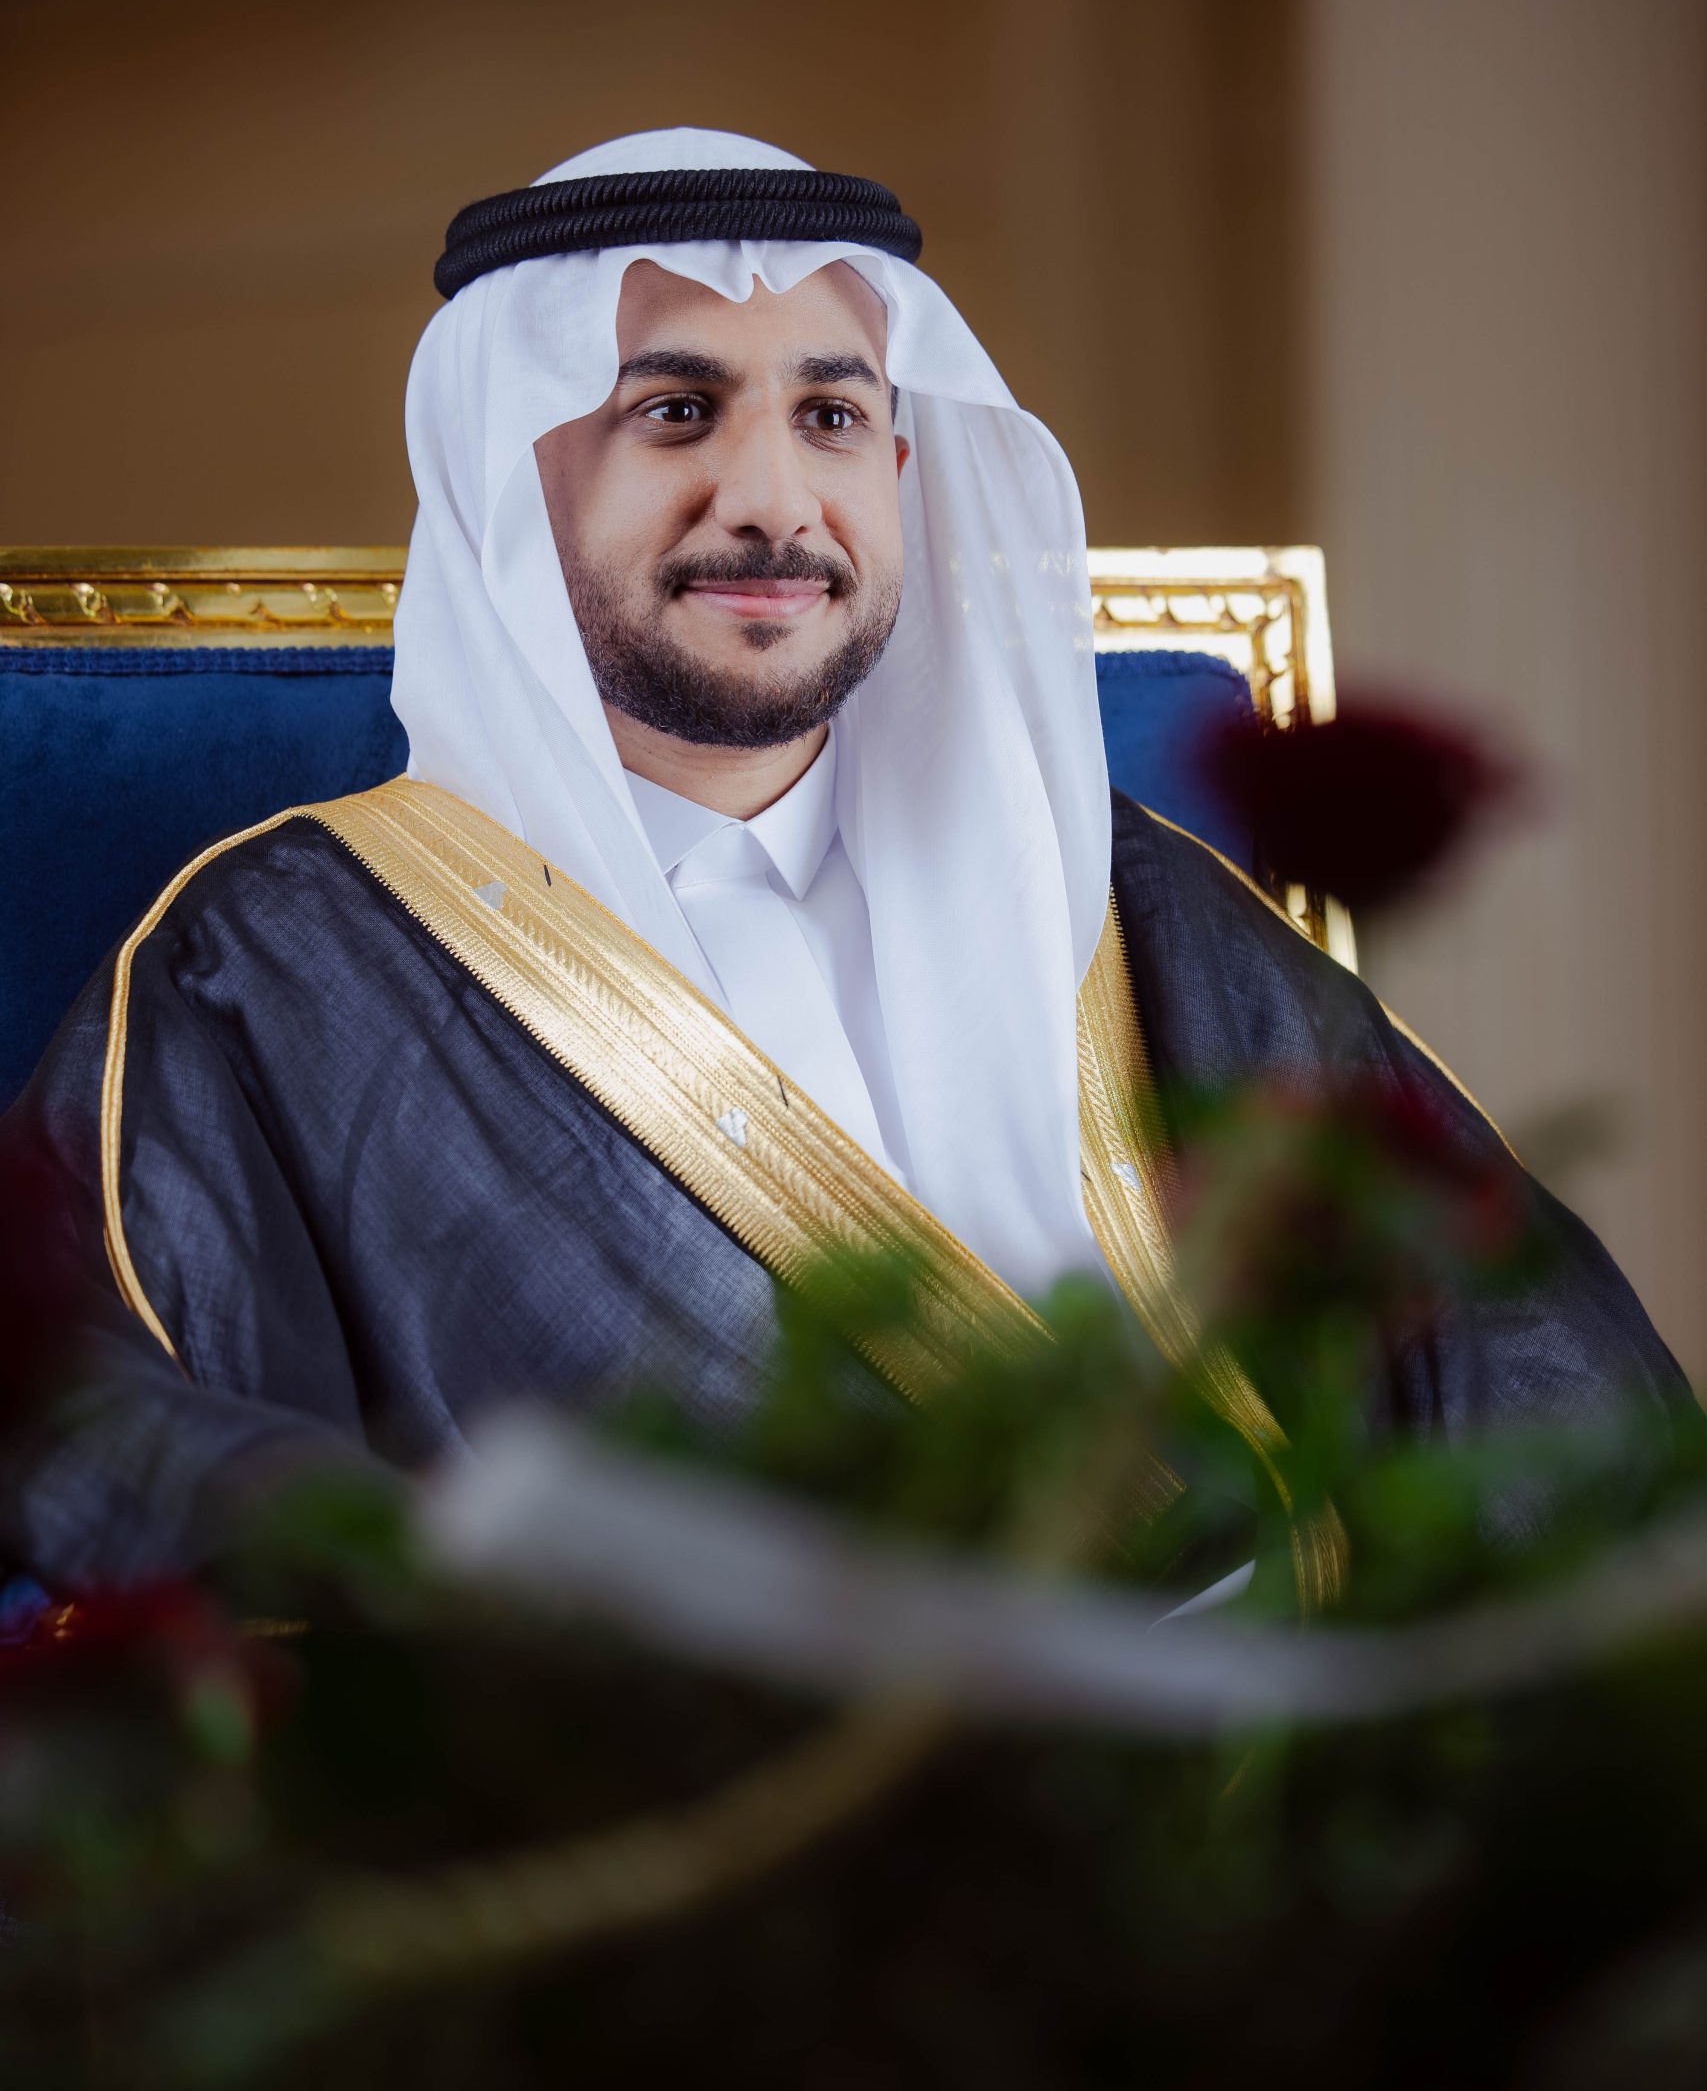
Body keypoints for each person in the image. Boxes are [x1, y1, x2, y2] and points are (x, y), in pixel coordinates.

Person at [0, 129, 1685, 1602]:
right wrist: (498, 1593)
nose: (771, 499)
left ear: (899, 468)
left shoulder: (1126, 899)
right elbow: (78, 1415)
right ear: (510, 486)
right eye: (675, 412)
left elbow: (1536, 1367)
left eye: (830, 414)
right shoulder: (278, 964)